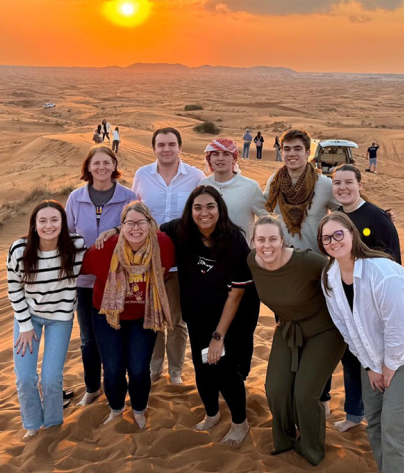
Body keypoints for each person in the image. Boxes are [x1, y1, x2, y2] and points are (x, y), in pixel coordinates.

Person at [318, 212, 404, 473]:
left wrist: (388, 368)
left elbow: (398, 327)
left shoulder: (382, 271)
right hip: (374, 354)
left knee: (394, 424)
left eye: (338, 234)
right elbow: (347, 329)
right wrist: (369, 366)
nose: (333, 241)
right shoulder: (330, 278)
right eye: (326, 238)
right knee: (374, 419)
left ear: (352, 234)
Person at [247, 215, 345, 465]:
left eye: (272, 239)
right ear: (253, 242)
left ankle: (311, 448)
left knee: (304, 394)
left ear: (282, 240)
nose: (266, 245)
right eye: (260, 240)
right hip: (288, 328)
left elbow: (342, 280)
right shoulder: (252, 262)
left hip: (325, 331)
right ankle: (285, 439)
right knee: (276, 389)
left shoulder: (307, 261)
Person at [160, 186, 254, 446]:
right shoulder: (180, 231)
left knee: (224, 368)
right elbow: (145, 227)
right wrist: (116, 230)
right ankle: (212, 413)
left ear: (219, 209)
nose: (204, 213)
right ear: (190, 211)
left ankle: (240, 423)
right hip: (198, 314)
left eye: (210, 206)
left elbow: (236, 295)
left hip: (231, 317)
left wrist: (218, 336)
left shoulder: (234, 240)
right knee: (203, 367)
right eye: (198, 207)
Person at [264, 128, 339, 412]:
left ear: (308, 153)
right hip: (283, 269)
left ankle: (321, 395)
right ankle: (294, 386)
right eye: (287, 149)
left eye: (297, 149)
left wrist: (379, 216)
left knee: (319, 333)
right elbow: (261, 208)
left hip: (316, 269)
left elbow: (347, 211)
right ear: (281, 152)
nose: (292, 154)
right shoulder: (275, 180)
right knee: (288, 330)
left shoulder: (323, 185)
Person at [81, 202, 175, 427]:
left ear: (150, 224)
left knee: (139, 368)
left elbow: (167, 272)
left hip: (144, 316)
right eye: (129, 223)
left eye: (141, 222)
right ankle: (116, 408)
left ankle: (139, 409)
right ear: (121, 226)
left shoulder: (162, 244)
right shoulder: (105, 247)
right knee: (113, 368)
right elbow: (81, 267)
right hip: (106, 315)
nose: (136, 228)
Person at [329, 164, 401, 432]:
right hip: (348, 302)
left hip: (376, 303)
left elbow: (395, 263)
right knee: (351, 358)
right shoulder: (336, 216)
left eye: (348, 182)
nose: (343, 188)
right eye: (337, 183)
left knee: (380, 361)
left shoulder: (377, 217)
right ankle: (354, 414)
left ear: (360, 184)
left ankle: (382, 418)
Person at [7, 201, 86, 441]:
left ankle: (52, 424)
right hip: (27, 318)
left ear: (63, 224)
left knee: (51, 378)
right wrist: (25, 326)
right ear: (34, 225)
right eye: (42, 221)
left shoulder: (76, 246)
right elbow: (14, 289)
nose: (48, 226)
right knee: (25, 377)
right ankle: (32, 424)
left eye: (54, 220)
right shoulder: (20, 249)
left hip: (60, 319)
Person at [132, 127, 205, 384]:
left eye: (171, 144)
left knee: (176, 322)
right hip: (147, 263)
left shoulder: (196, 176)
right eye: (161, 144)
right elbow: (134, 213)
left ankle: (175, 372)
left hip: (182, 263)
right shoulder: (142, 175)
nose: (166, 149)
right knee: (151, 320)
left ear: (180, 148)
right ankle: (154, 371)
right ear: (153, 148)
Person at [66, 146, 137, 406]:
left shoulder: (128, 196)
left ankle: (118, 386)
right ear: (88, 167)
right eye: (96, 163)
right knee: (88, 338)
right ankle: (93, 387)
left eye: (107, 162)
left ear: (114, 164)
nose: (102, 167)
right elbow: (68, 234)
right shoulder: (76, 197)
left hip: (120, 280)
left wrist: (118, 228)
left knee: (118, 335)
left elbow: (140, 224)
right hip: (84, 282)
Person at [199, 138, 263, 379]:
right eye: (215, 154)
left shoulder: (250, 186)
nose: (220, 158)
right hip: (209, 269)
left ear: (234, 159)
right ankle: (215, 376)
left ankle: (240, 377)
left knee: (243, 329)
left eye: (226, 154)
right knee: (211, 326)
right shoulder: (202, 185)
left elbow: (267, 217)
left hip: (243, 269)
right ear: (209, 159)